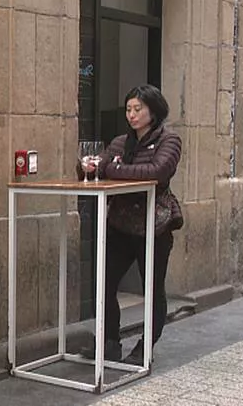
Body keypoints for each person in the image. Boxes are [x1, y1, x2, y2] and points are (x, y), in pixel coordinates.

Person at [78, 85, 183, 366]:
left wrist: (113, 169)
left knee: (152, 287)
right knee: (105, 282)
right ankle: (110, 342)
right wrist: (89, 166)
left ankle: (145, 346)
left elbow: (157, 173)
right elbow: (98, 166)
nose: (132, 115)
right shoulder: (120, 142)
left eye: (138, 109)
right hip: (122, 224)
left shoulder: (169, 141)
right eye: (129, 109)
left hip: (154, 225)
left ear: (154, 111)